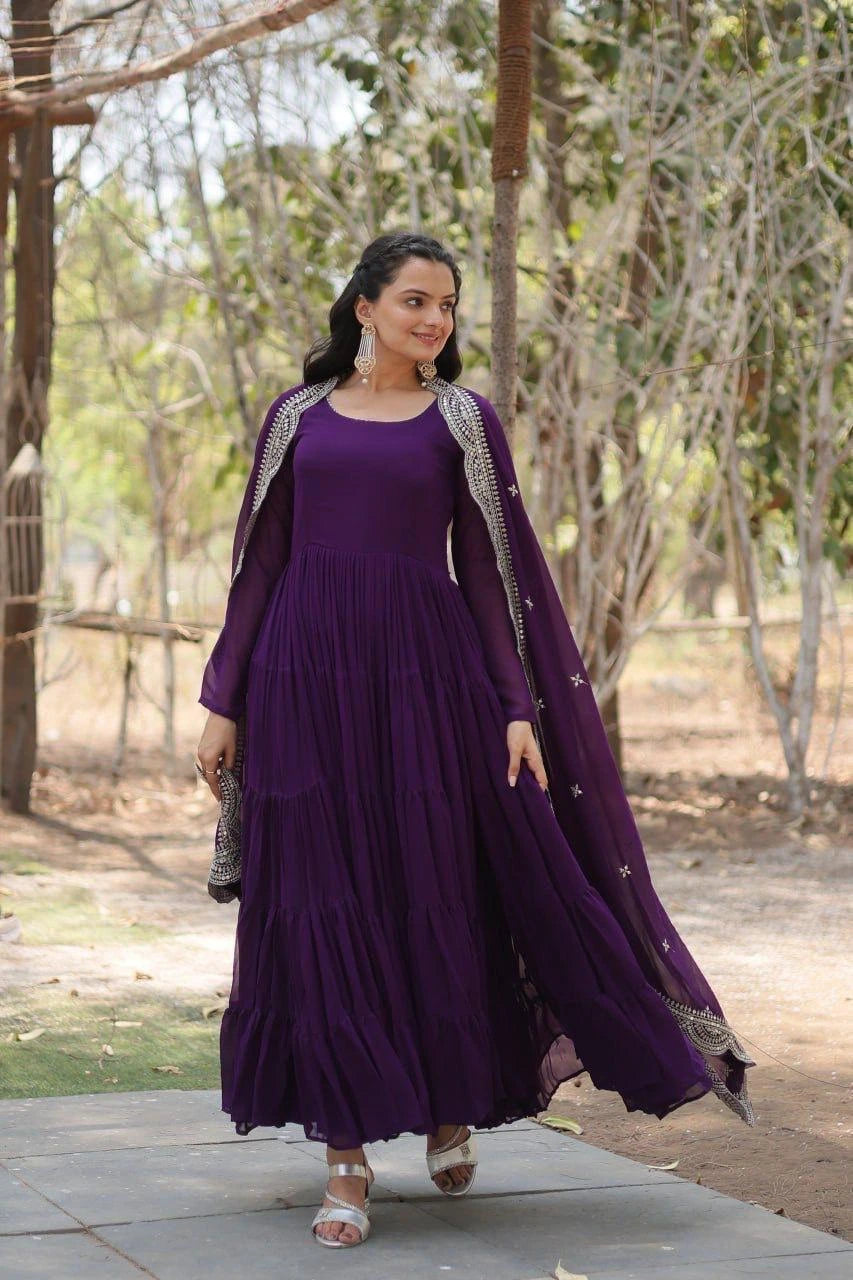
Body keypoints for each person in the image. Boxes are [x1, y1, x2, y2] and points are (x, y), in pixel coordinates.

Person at [195, 231, 754, 1250]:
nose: (434, 320)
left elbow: (492, 574)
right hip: (302, 685)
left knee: (434, 890)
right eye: (414, 300)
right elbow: (261, 564)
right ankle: (348, 1157)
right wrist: (223, 696)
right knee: (321, 902)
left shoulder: (461, 420)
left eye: (446, 305)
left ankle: (450, 1103)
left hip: (427, 683)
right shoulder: (295, 418)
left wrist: (513, 706)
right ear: (362, 306)